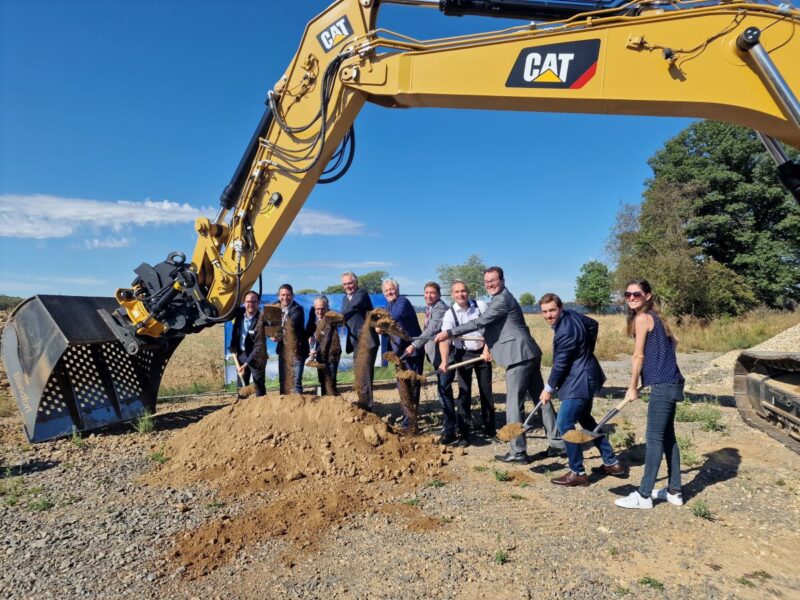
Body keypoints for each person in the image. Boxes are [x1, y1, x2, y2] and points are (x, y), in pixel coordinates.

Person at [435, 266, 564, 463]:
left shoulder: (502, 299)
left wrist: (449, 333)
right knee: (541, 400)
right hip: (528, 353)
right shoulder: (498, 298)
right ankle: (557, 443)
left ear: (502, 280)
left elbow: (480, 322)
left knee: (514, 405)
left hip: (518, 356)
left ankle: (518, 451)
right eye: (487, 282)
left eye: (493, 280)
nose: (490, 284)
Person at [538, 293, 624, 487]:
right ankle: (612, 462)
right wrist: (586, 350)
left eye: (552, 310)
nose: (549, 315)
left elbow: (560, 364)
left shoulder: (564, 333)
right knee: (586, 420)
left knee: (564, 423)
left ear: (560, 308)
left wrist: (548, 388)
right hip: (587, 375)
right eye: (544, 311)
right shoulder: (572, 315)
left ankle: (577, 472)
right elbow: (593, 324)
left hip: (579, 381)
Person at [615, 279, 685, 510]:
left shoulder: (642, 319)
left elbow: (638, 356)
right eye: (628, 294)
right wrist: (660, 366)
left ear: (647, 296)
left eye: (637, 294)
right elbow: (674, 342)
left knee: (654, 439)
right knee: (667, 438)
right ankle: (674, 491)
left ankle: (644, 495)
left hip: (663, 385)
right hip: (673, 381)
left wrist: (633, 386)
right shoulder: (657, 317)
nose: (632, 298)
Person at [404, 282, 461, 446]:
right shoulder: (430, 308)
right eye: (426, 293)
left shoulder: (440, 309)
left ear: (439, 295)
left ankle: (450, 432)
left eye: (432, 293)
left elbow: (432, 330)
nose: (429, 296)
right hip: (436, 358)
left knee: (444, 393)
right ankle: (448, 427)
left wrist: (414, 345)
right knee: (442, 392)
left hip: (445, 358)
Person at [438, 280, 495, 438]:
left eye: (463, 291)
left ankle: (490, 429)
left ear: (467, 292)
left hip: (482, 352)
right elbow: (445, 339)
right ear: (452, 295)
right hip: (463, 354)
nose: (460, 294)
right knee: (464, 392)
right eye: (456, 292)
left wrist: (486, 349)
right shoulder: (450, 314)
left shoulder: (480, 306)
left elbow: (491, 329)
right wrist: (444, 361)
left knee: (486, 391)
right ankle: (464, 432)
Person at [380, 279, 423, 427]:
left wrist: (381, 324)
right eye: (386, 291)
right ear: (383, 293)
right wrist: (381, 329)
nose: (390, 292)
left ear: (397, 290)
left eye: (391, 289)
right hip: (400, 356)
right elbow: (390, 330)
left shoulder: (402, 302)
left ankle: (410, 423)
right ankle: (408, 418)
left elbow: (395, 316)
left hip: (412, 352)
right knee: (402, 387)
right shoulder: (388, 305)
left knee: (412, 386)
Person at [341, 271, 379, 407]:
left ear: (356, 282)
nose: (348, 286)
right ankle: (362, 401)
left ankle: (368, 406)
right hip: (356, 342)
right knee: (359, 374)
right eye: (345, 284)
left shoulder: (361, 294)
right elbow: (347, 319)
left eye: (350, 283)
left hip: (367, 341)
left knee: (365, 374)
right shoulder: (345, 299)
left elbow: (352, 308)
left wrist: (337, 317)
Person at [228, 290, 266, 396]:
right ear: (244, 303)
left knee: (259, 388)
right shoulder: (239, 314)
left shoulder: (261, 319)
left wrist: (246, 364)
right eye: (248, 301)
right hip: (241, 356)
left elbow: (259, 345)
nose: (251, 304)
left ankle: (261, 409)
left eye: (254, 302)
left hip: (257, 358)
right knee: (241, 389)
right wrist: (232, 345)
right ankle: (241, 409)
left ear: (258, 303)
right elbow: (235, 331)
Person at [272, 283, 309, 394]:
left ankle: (298, 407)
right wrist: (271, 333)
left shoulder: (298, 309)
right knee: (283, 381)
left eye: (288, 295)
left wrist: (278, 335)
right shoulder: (274, 307)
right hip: (283, 350)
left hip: (298, 349)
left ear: (292, 296)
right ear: (279, 296)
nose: (285, 298)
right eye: (282, 295)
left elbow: (291, 326)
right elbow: (268, 323)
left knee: (296, 382)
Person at [306, 295, 342, 395]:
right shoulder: (314, 316)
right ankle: (326, 403)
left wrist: (315, 352)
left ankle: (333, 402)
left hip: (332, 353)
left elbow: (326, 340)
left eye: (322, 309)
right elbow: (309, 331)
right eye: (317, 309)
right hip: (320, 353)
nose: (319, 312)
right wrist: (310, 338)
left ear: (327, 307)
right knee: (322, 379)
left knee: (330, 380)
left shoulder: (331, 318)